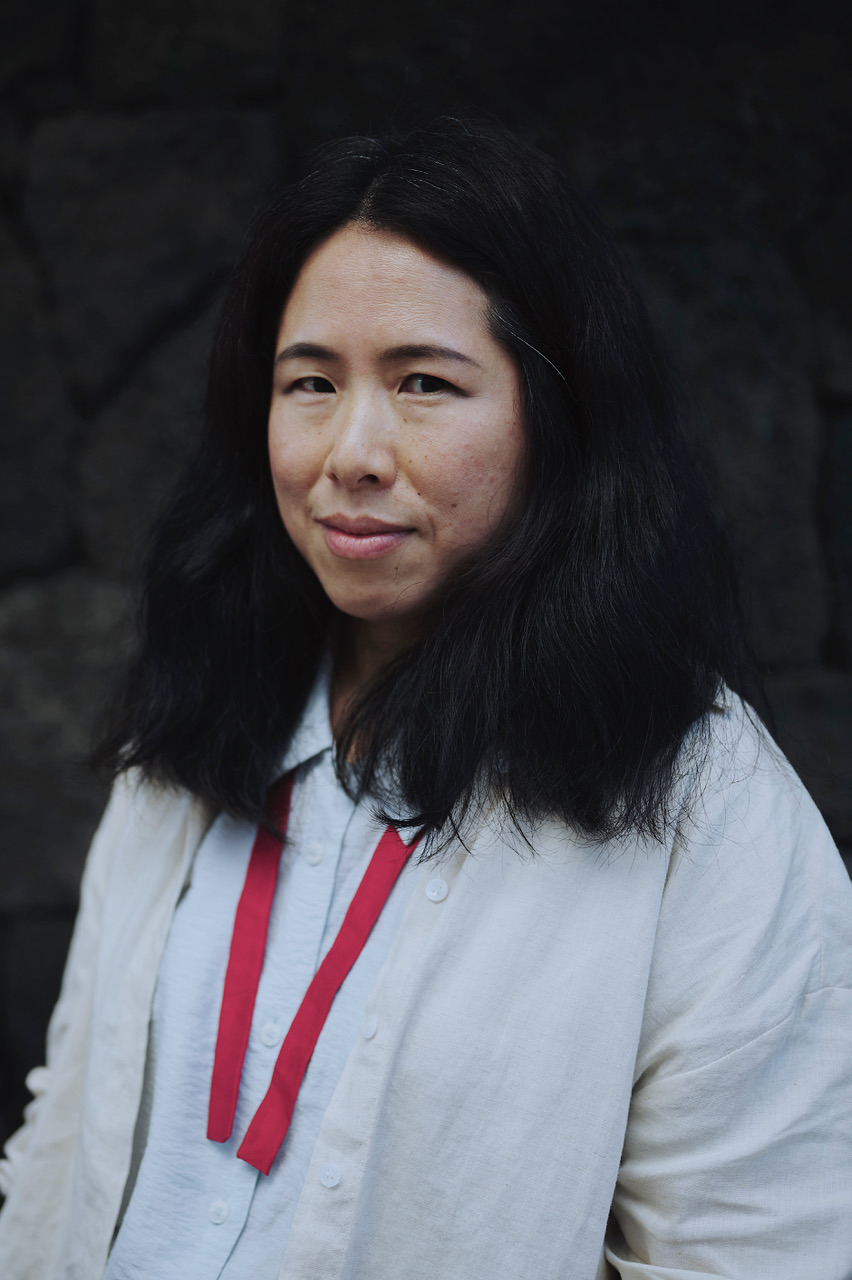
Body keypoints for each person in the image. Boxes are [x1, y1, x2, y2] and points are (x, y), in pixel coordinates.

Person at [0, 116, 850, 1280]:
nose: (350, 450)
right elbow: (66, 1134)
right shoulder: (195, 722)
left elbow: (761, 1249)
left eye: (425, 382)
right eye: (311, 381)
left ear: (558, 414)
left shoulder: (702, 798)